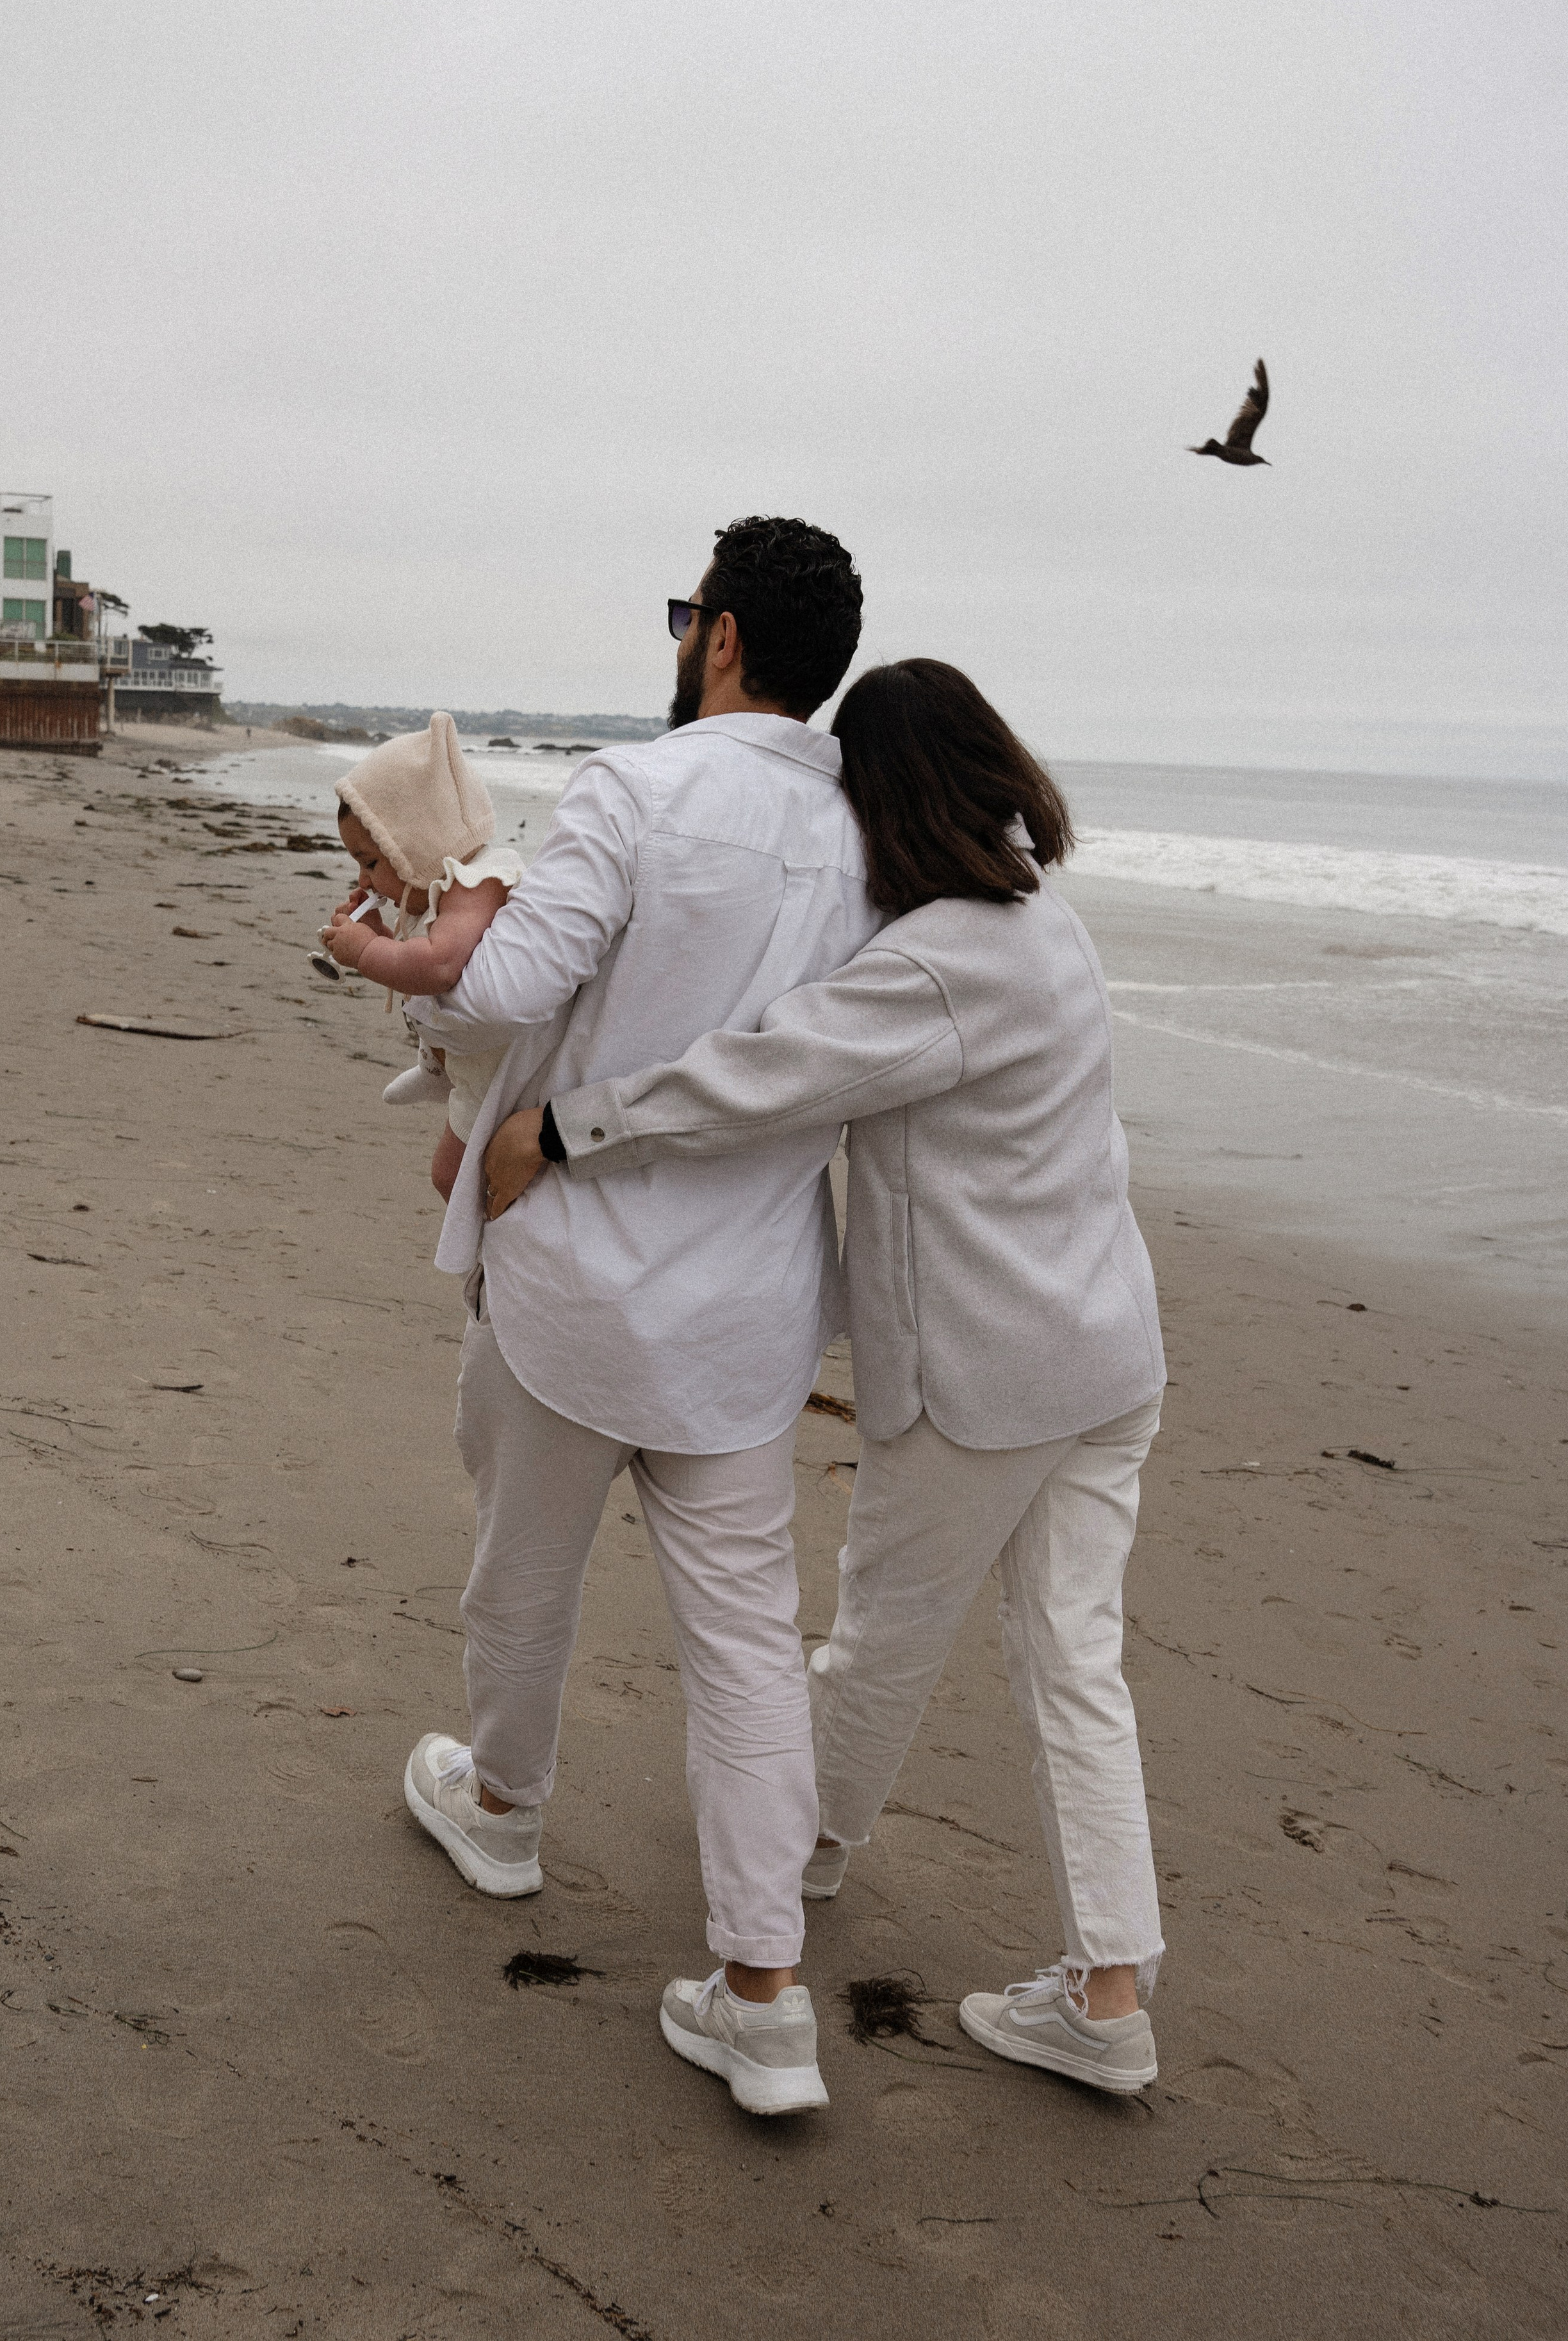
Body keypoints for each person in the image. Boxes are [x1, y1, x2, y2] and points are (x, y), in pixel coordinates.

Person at [483, 658, 1170, 2097]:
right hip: (1109, 1353)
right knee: (1073, 1666)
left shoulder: (937, 962)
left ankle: (795, 1866)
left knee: (875, 1640)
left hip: (992, 1373)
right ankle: (1103, 1997)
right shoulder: (1049, 919)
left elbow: (758, 1073)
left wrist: (564, 1128)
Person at [397, 519, 880, 2117]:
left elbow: (494, 992)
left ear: (722, 636)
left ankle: (506, 1807)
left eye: (690, 616)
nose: (683, 638)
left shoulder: (636, 787)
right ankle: (761, 1990)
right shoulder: (870, 836)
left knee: (522, 1565)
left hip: (572, 1274)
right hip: (746, 1312)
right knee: (746, 1640)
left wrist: (390, 954)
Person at [322, 714, 527, 1201]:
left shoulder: (477, 885)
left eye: (371, 861)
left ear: (416, 841)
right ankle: (438, 1073)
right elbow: (412, 967)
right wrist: (375, 935)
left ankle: (496, 1249)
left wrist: (369, 951)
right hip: (468, 1053)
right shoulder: (433, 891)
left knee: (447, 1175)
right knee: (433, 1022)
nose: (364, 880)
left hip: (501, 1071)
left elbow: (437, 967)